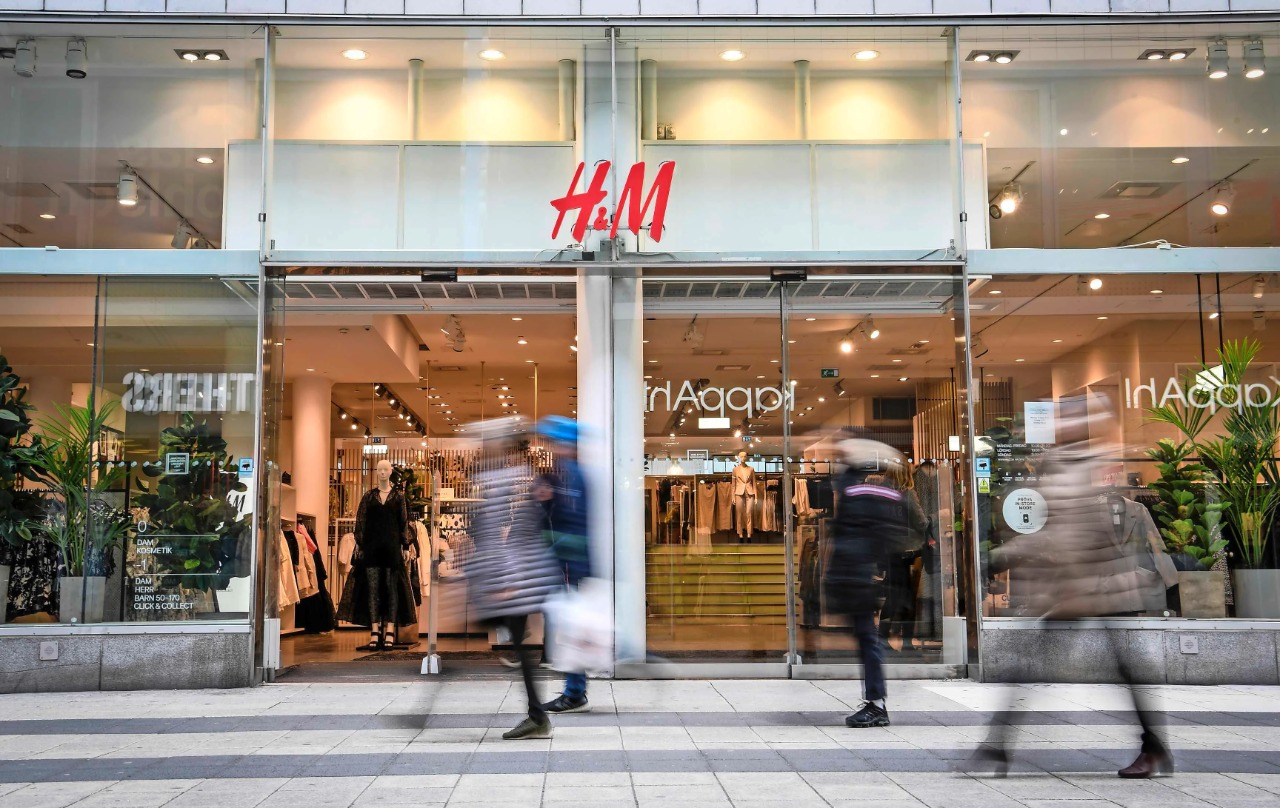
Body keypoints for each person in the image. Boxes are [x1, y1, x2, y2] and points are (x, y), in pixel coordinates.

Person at [974, 395, 1173, 779]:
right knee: (1104, 666)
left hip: (1088, 587)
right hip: (1083, 586)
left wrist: (1005, 556)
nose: (1059, 425)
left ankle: (996, 746)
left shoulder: (1078, 463)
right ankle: (996, 747)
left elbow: (1069, 533)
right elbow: (1059, 530)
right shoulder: (1069, 462)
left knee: (1037, 665)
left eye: (1066, 419)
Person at [467, 416, 564, 740]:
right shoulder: (513, 476)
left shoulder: (508, 479)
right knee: (519, 648)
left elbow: (509, 536)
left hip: (519, 577)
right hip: (519, 575)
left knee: (519, 647)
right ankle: (537, 715)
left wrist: (505, 582)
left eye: (487, 441)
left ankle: (537, 716)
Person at [826, 436, 908, 728]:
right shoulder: (860, 490)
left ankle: (877, 704)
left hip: (857, 577)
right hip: (856, 575)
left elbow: (863, 536)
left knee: (868, 639)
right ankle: (875, 701)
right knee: (866, 638)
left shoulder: (862, 493)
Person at [534, 416, 594, 714]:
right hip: (569, 562)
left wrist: (553, 550)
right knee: (570, 626)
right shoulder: (569, 473)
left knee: (571, 628)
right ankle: (574, 690)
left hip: (571, 564)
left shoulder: (574, 475)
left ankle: (574, 693)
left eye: (556, 442)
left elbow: (574, 523)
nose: (552, 447)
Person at [336, 459, 417, 650]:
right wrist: (360, 544)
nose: (382, 472)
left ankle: (389, 630)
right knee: (373, 591)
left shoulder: (398, 497)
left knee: (391, 590)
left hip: (391, 549)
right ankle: (374, 631)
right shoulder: (369, 496)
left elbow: (403, 522)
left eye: (385, 469)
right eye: (379, 469)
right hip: (371, 549)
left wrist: (406, 546)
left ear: (390, 472)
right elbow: (361, 522)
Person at [877, 460, 928, 653]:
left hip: (887, 550)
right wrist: (934, 519)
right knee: (907, 597)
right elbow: (920, 522)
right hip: (907, 551)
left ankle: (883, 638)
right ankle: (905, 642)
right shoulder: (906, 492)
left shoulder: (881, 493)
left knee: (893, 595)